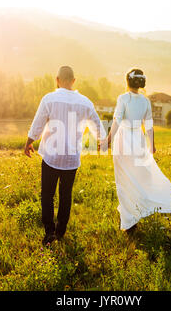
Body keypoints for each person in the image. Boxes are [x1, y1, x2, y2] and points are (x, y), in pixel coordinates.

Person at [25, 66, 106, 245]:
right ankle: (60, 231)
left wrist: (29, 141)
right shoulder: (85, 102)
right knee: (65, 194)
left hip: (51, 157)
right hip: (71, 158)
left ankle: (49, 231)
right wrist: (101, 141)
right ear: (74, 80)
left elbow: (38, 122)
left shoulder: (49, 99)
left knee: (47, 194)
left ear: (57, 79)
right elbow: (97, 126)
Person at [105, 68, 171, 231]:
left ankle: (129, 218)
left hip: (123, 139)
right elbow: (149, 125)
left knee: (123, 178)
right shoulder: (145, 101)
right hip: (138, 140)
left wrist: (108, 140)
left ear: (127, 81)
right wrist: (152, 144)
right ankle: (134, 210)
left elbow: (116, 121)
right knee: (138, 175)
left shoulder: (123, 98)